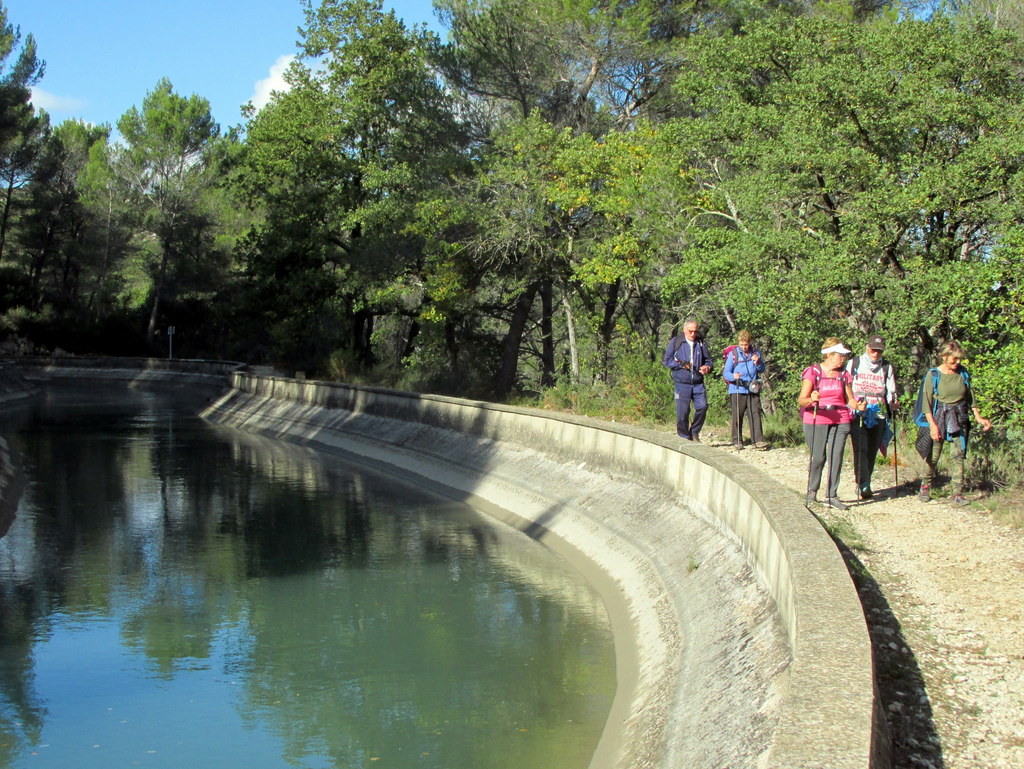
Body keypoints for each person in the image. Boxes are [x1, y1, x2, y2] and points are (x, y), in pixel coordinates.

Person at [914, 341, 992, 505]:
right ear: (944, 357)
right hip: (938, 418)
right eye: (953, 360)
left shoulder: (963, 374)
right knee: (933, 456)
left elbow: (971, 399)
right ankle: (925, 487)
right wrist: (932, 426)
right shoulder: (933, 375)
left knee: (958, 455)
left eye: (959, 360)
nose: (957, 363)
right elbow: (926, 404)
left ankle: (957, 493)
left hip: (957, 418)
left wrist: (979, 417)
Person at [798, 337, 863, 510]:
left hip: (841, 417)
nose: (844, 358)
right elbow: (802, 400)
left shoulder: (844, 375)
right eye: (840, 355)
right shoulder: (813, 372)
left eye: (844, 355)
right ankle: (812, 491)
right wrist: (811, 398)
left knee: (837, 456)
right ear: (829, 355)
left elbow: (850, 399)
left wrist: (859, 405)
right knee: (819, 456)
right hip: (817, 417)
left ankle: (831, 495)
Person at [847, 334, 899, 499]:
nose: (875, 353)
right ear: (867, 347)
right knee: (860, 448)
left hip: (879, 412)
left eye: (879, 351)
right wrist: (851, 402)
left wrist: (893, 402)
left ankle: (866, 480)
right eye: (873, 349)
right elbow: (846, 384)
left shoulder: (886, 367)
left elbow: (890, 389)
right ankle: (863, 484)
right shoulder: (854, 363)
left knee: (872, 449)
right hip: (858, 411)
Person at [663, 318, 714, 442]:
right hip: (682, 383)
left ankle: (694, 432)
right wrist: (680, 365)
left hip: (698, 382)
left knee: (702, 407)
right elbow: (666, 360)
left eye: (695, 332)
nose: (693, 334)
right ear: (684, 330)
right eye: (690, 331)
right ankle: (684, 437)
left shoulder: (701, 343)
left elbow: (709, 360)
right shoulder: (677, 342)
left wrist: (707, 367)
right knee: (683, 412)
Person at [723, 330, 767, 450]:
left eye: (746, 344)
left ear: (749, 342)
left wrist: (757, 362)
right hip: (737, 388)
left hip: (752, 388)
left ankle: (758, 440)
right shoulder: (733, 354)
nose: (744, 347)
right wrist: (733, 376)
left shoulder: (755, 352)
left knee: (755, 413)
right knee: (738, 414)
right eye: (741, 345)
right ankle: (737, 440)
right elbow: (726, 372)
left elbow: (762, 368)